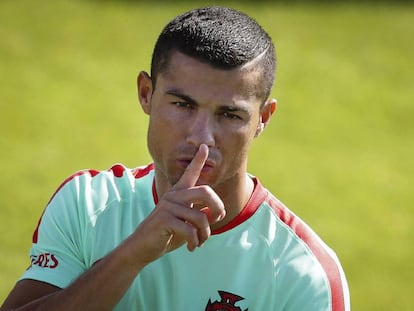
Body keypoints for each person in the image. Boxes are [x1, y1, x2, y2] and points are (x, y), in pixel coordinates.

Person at [1, 6, 350, 311]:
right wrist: (130, 256)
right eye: (183, 105)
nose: (201, 137)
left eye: (229, 115)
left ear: (263, 119)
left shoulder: (305, 271)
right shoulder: (86, 205)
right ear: (146, 93)